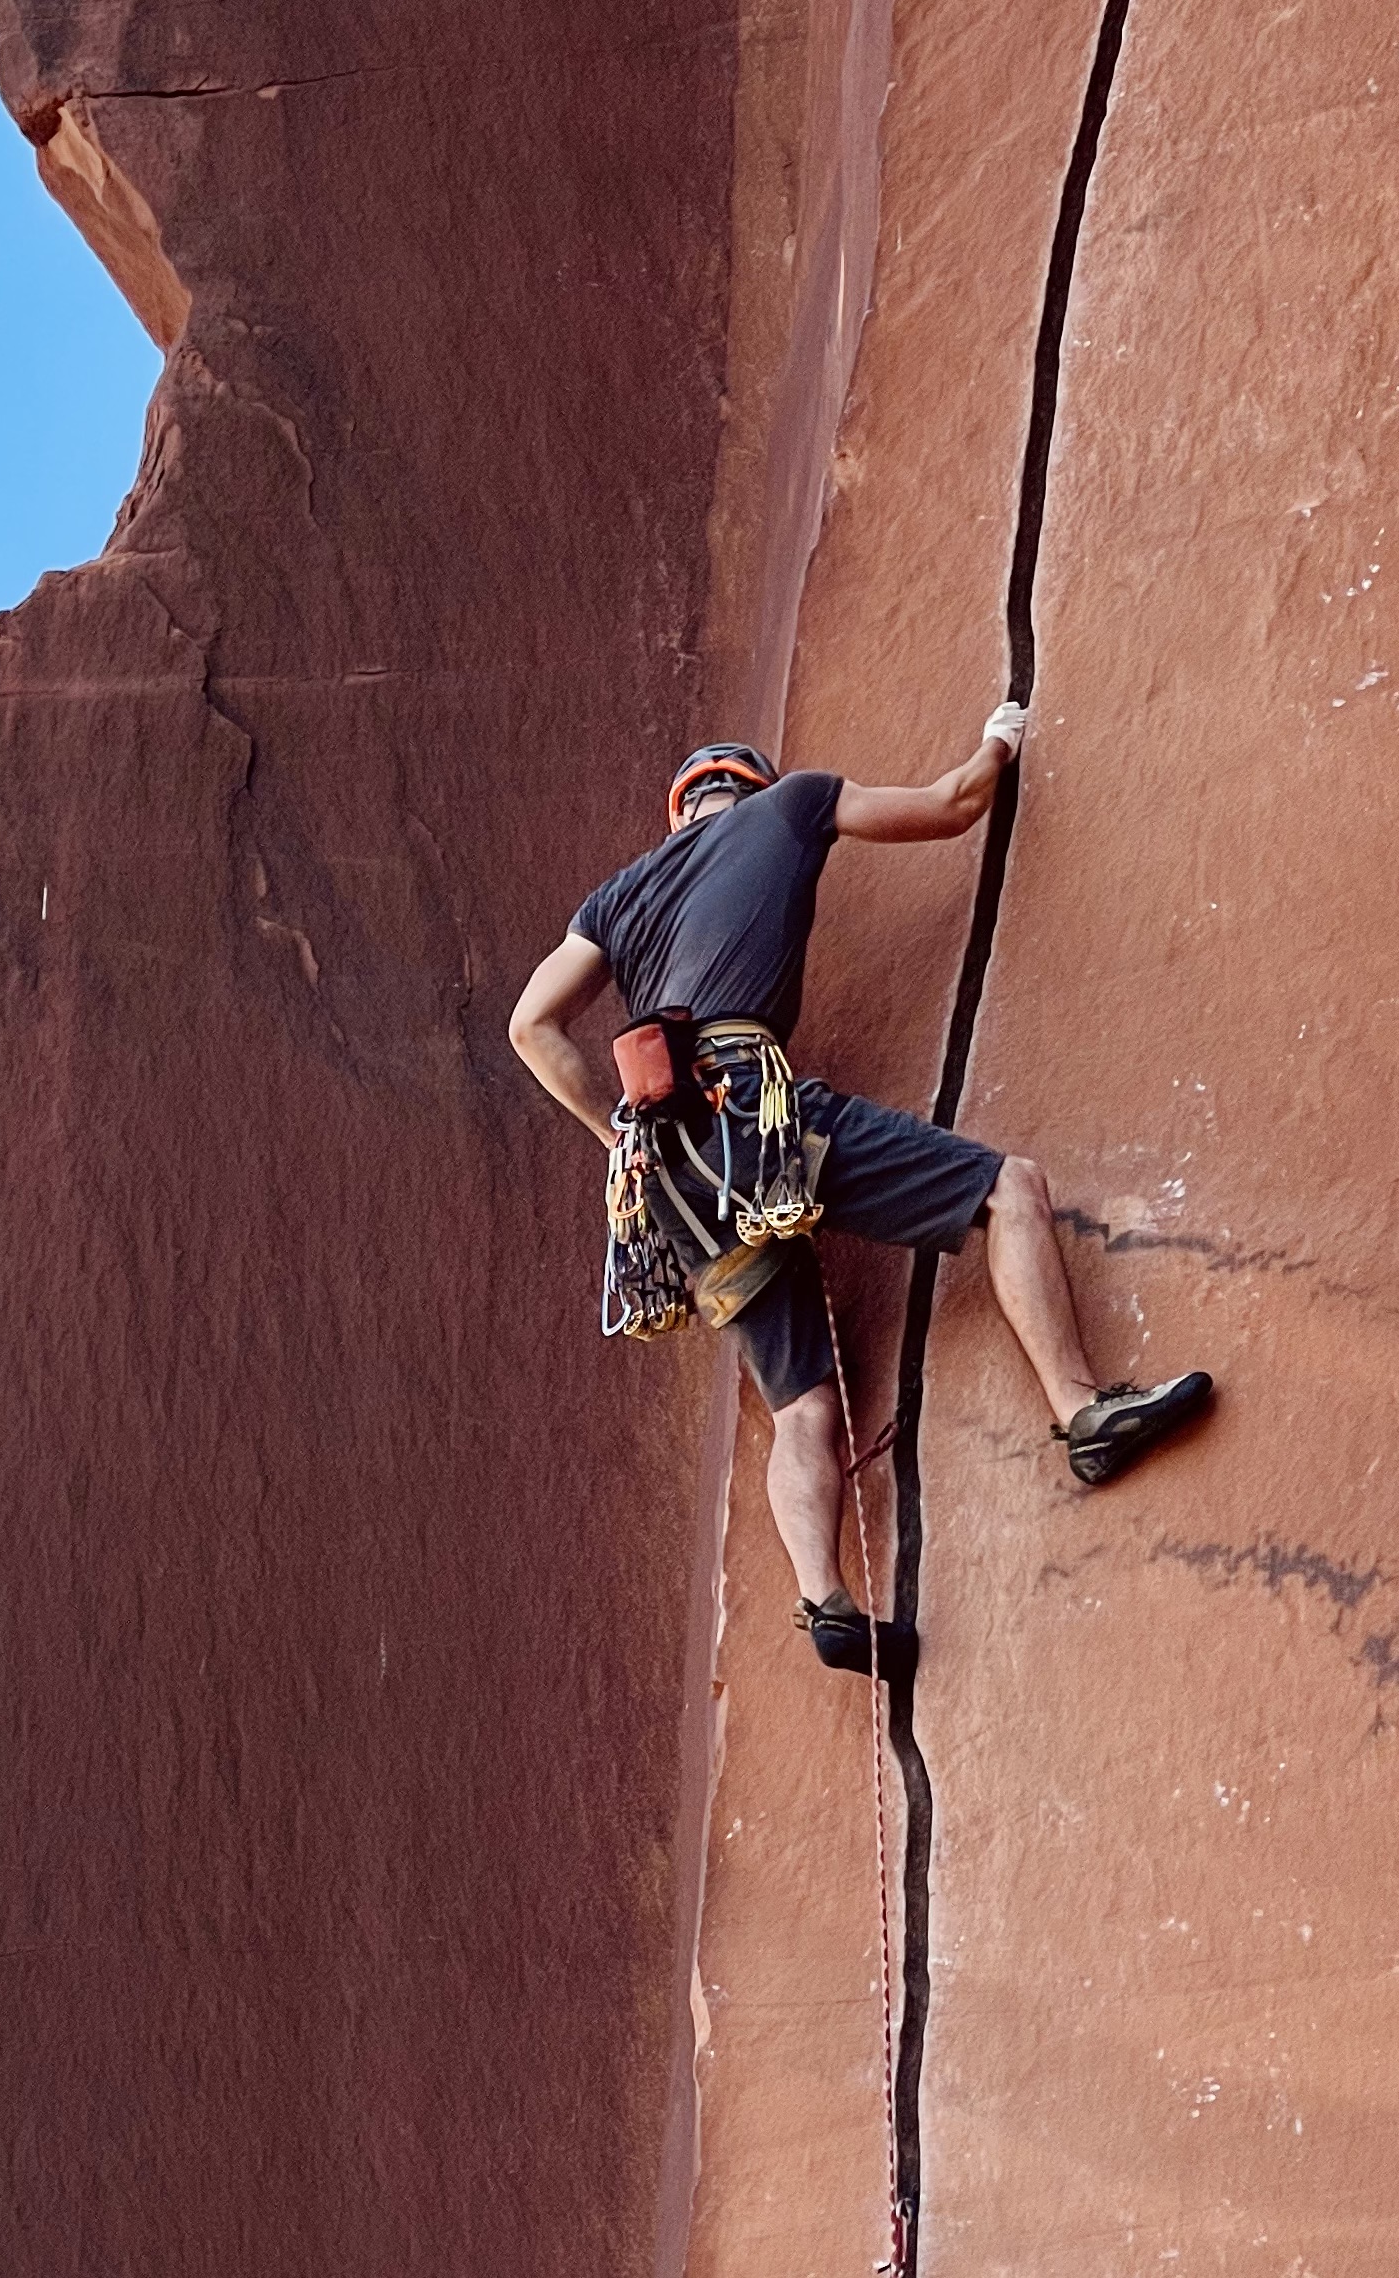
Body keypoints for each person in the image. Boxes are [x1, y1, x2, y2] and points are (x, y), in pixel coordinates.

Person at [508, 717, 1213, 1674]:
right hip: (746, 1103)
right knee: (1010, 1189)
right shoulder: (789, 805)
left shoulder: (613, 900)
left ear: (679, 815)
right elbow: (952, 804)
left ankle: (826, 1601)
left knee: (800, 1404)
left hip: (665, 1173)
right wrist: (1000, 741)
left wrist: (613, 1138)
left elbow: (532, 1027)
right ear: (749, 788)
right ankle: (1084, 1411)